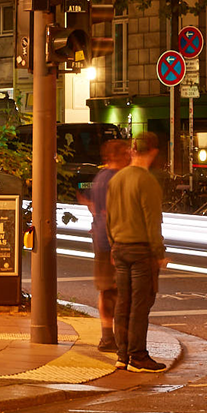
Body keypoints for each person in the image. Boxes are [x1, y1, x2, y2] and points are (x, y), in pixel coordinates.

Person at [106, 131, 169, 373]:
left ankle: (122, 355)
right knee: (140, 305)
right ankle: (138, 356)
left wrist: (114, 243)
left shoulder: (117, 179)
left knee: (123, 302)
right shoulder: (147, 181)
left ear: (133, 150)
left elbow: (109, 217)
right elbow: (152, 221)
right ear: (153, 152)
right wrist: (159, 252)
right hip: (141, 249)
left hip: (120, 247)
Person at [77, 139, 131, 352]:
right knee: (119, 292)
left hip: (100, 240)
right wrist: (115, 244)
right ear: (119, 156)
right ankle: (118, 338)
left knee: (106, 291)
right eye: (126, 153)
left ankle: (107, 336)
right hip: (112, 243)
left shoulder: (100, 178)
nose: (130, 156)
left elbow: (91, 205)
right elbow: (112, 214)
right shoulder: (117, 179)